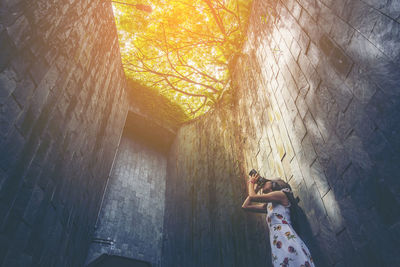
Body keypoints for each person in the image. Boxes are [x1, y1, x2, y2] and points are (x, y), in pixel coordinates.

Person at [242, 172, 315, 267]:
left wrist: (251, 182)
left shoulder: (281, 194)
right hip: (277, 241)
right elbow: (245, 206)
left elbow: (253, 197)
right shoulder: (269, 205)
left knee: (294, 261)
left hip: (286, 237)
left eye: (265, 182)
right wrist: (256, 188)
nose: (262, 183)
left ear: (274, 184)